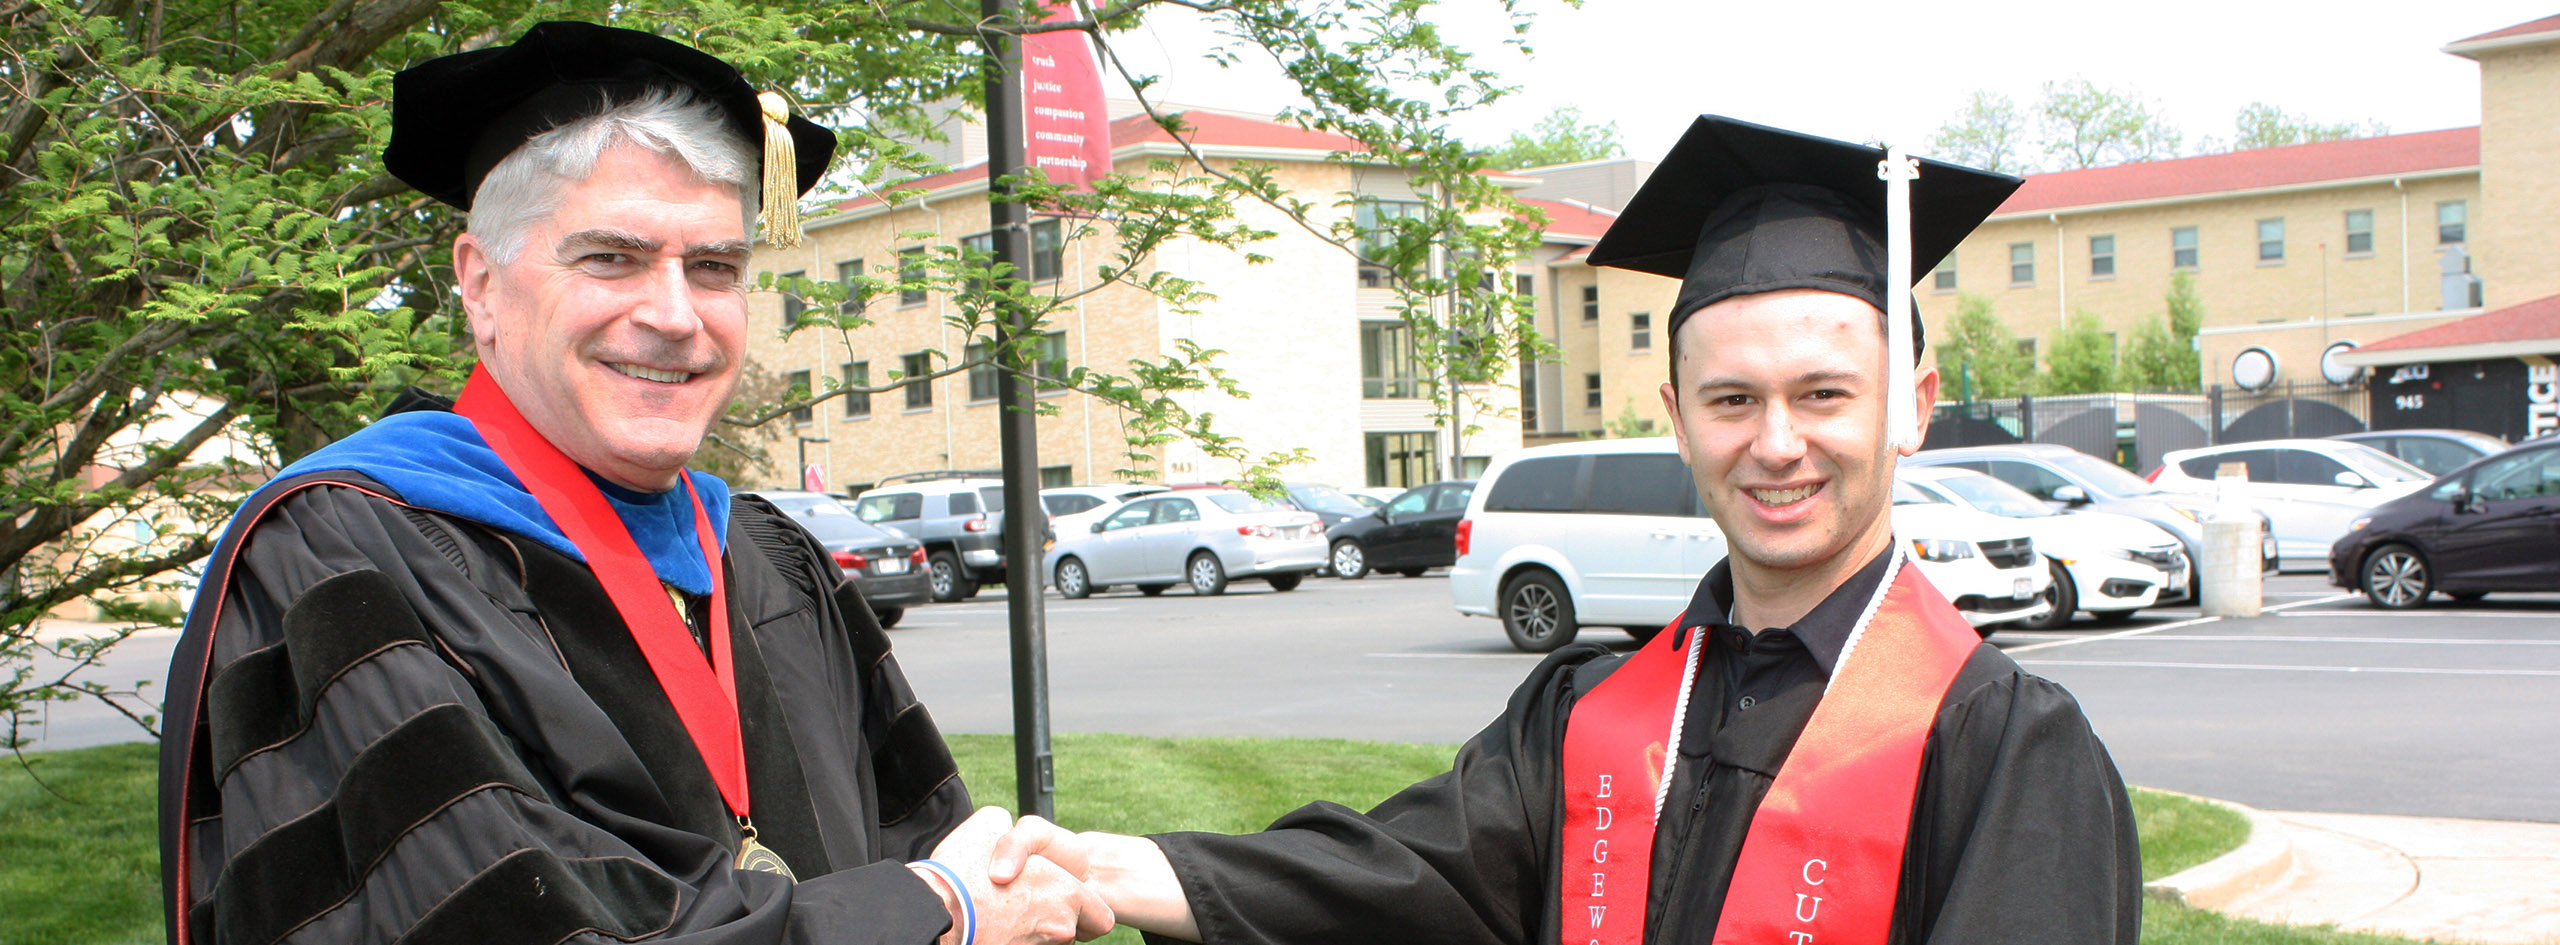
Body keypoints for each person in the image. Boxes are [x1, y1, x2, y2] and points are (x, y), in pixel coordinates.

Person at [986, 115, 2143, 944]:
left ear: (1912, 410)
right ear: (1677, 420)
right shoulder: (1592, 712)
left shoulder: (2002, 748)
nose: (1776, 442)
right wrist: (1108, 870)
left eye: (1823, 394)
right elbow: (1395, 880)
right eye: (1732, 400)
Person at [156, 22, 1107, 945]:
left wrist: (993, 889)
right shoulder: (342, 558)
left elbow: (926, 845)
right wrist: (931, 912)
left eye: (715, 266)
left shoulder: (769, 556)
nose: (674, 314)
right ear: (481, 284)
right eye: (611, 257)